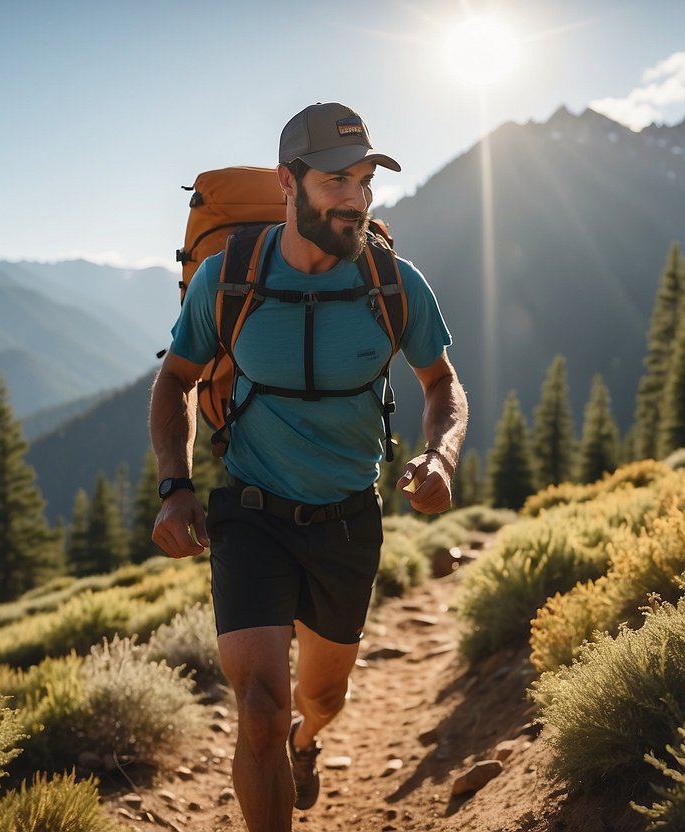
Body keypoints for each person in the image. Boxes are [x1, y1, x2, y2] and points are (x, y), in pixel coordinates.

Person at [148, 102, 468, 832]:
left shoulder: (392, 283)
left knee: (320, 700)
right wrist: (175, 488)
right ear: (288, 185)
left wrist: (440, 454)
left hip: (347, 520)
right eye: (334, 181)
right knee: (260, 708)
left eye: (363, 179)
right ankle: (280, 745)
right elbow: (176, 380)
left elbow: (440, 382)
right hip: (249, 514)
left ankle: (308, 742)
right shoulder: (228, 280)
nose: (354, 197)